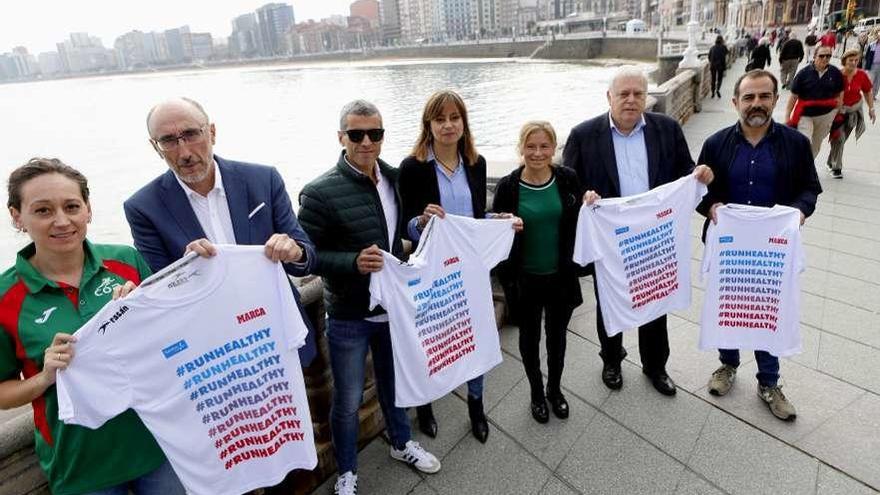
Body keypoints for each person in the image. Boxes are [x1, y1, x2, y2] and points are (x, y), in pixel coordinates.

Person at [0, 158, 185, 495]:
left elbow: (172, 338)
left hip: (160, 443)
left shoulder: (125, 261)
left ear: (88, 209)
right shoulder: (4, 298)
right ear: (17, 216)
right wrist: (44, 377)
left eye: (72, 206)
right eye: (42, 210)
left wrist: (146, 312)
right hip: (81, 467)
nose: (61, 221)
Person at [298, 100, 441, 495]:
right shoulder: (318, 192)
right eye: (356, 134)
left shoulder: (396, 178)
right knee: (346, 400)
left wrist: (420, 222)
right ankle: (347, 471)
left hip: (393, 306)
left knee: (395, 384)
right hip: (348, 315)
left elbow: (403, 235)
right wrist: (351, 262)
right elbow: (304, 256)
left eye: (374, 134)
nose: (366, 142)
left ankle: (400, 443)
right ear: (340, 137)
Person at [123, 97, 318, 365]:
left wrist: (294, 251)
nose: (184, 152)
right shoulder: (143, 207)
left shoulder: (263, 179)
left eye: (191, 134)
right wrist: (187, 268)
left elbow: (307, 258)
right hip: (212, 347)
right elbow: (162, 289)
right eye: (168, 140)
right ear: (155, 147)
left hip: (279, 330)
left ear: (212, 132)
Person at [562, 67, 714, 396]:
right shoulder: (583, 135)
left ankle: (655, 366)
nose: (631, 100)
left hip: (653, 239)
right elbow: (568, 188)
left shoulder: (667, 129)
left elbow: (683, 169)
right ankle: (612, 359)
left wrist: (697, 174)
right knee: (609, 303)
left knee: (655, 302)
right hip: (612, 241)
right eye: (624, 94)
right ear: (609, 98)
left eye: (638, 94)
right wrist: (585, 197)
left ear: (646, 97)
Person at [696, 69, 822, 421]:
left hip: (772, 252)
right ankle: (727, 365)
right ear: (736, 102)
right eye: (748, 97)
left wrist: (799, 213)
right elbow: (699, 192)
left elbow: (809, 189)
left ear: (774, 100)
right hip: (730, 250)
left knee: (768, 314)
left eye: (764, 97)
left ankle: (769, 382)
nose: (756, 104)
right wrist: (711, 206)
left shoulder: (795, 144)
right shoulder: (716, 144)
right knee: (729, 308)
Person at [398, 90, 521, 443]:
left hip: (470, 269)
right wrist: (421, 221)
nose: (448, 125)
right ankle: (425, 406)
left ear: (464, 122)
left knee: (477, 336)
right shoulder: (412, 167)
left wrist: (494, 219)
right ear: (429, 125)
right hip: (432, 274)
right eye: (440, 119)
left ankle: (476, 407)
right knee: (432, 342)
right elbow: (406, 227)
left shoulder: (475, 163)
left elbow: (473, 217)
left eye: (455, 117)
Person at [492, 121, 583, 423]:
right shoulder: (508, 186)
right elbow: (494, 230)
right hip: (524, 280)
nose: (537, 152)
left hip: (560, 277)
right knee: (529, 340)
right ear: (521, 148)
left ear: (554, 148)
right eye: (530, 146)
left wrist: (592, 200)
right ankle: (535, 392)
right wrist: (498, 220)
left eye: (544, 146)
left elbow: (584, 217)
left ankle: (554, 390)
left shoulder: (567, 179)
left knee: (557, 337)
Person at [786, 45, 844, 157]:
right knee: (805, 141)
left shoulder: (835, 73)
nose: (825, 58)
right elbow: (793, 96)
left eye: (828, 56)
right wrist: (787, 117)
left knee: (816, 145)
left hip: (826, 115)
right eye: (821, 56)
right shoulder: (803, 74)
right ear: (814, 56)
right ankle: (799, 168)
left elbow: (840, 93)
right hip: (805, 115)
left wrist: (838, 112)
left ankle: (808, 167)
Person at [826, 49, 876, 178]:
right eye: (850, 60)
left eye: (856, 60)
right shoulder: (837, 75)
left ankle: (831, 160)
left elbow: (868, 91)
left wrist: (871, 109)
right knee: (839, 138)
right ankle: (837, 167)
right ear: (844, 61)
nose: (853, 63)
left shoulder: (861, 75)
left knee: (842, 140)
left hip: (853, 112)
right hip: (838, 111)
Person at [866, 29, 880, 95]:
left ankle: (874, 94)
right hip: (873, 65)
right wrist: (867, 65)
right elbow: (867, 55)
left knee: (877, 82)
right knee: (870, 80)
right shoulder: (872, 45)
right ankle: (868, 93)